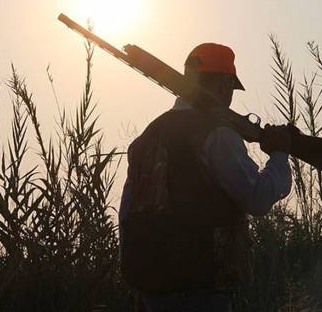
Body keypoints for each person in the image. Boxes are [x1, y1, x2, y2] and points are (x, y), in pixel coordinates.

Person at [119, 43, 295, 312]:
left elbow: (127, 213)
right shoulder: (218, 134)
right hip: (203, 290)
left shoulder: (146, 138)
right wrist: (280, 154)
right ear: (225, 85)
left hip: (153, 291)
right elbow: (257, 199)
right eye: (230, 88)